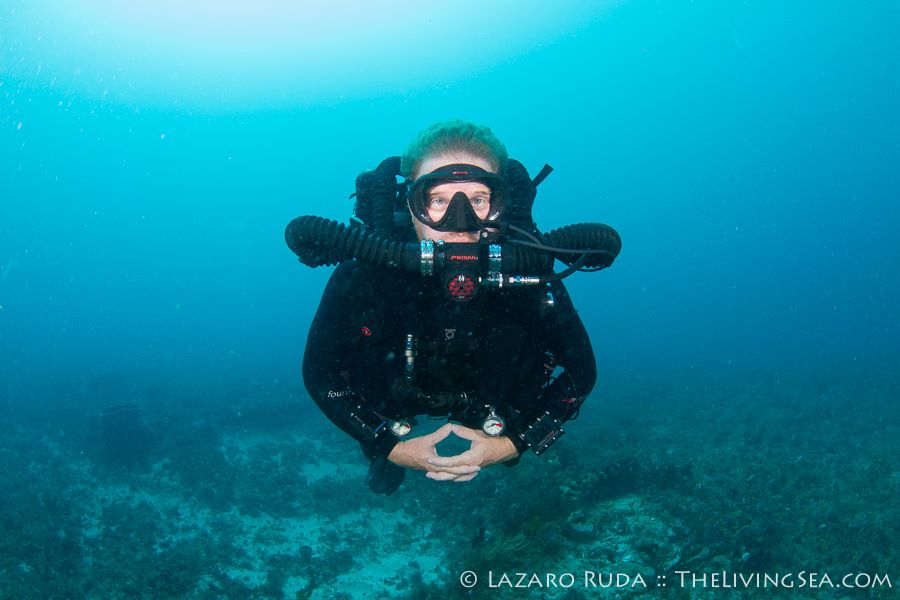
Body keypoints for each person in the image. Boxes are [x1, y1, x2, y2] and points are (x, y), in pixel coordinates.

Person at [299, 120, 603, 495]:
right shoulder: (366, 273)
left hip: (495, 408)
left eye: (477, 200)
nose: (460, 223)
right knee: (382, 444)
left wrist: (514, 442)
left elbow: (581, 371)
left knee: (509, 440)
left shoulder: (529, 270)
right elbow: (319, 374)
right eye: (439, 200)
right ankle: (386, 454)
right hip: (394, 406)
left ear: (502, 205)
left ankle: (497, 434)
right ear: (411, 205)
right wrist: (389, 447)